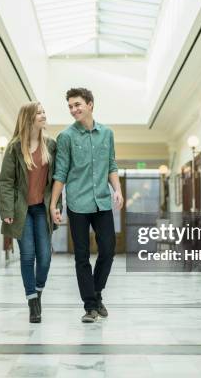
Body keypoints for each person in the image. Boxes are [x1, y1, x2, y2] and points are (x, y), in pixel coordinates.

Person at [50, 88, 123, 323]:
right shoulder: (66, 137)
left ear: (90, 104)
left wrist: (118, 190)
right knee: (81, 256)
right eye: (70, 106)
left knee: (108, 250)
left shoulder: (107, 134)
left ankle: (96, 292)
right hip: (78, 204)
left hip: (102, 201)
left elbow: (111, 165)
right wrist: (54, 204)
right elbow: (60, 172)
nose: (73, 110)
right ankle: (90, 306)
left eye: (77, 104)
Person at [0, 101, 61, 323]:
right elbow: (6, 181)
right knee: (27, 256)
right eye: (39, 113)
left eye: (44, 111)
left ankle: (38, 291)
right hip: (22, 210)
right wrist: (7, 209)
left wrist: (56, 207)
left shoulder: (51, 145)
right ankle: (33, 302)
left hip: (42, 210)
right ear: (29, 118)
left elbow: (56, 181)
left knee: (44, 257)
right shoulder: (15, 146)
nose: (44, 115)